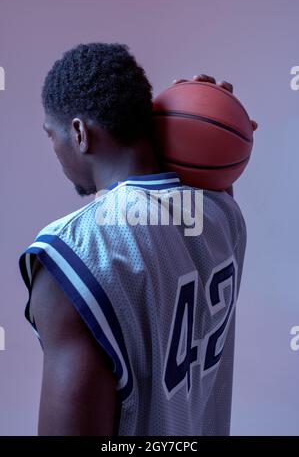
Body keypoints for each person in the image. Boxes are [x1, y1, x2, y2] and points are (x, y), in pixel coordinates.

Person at [19, 43, 257, 436]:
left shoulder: (73, 252)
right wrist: (207, 118)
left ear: (78, 132)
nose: (55, 150)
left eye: (52, 135)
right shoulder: (222, 213)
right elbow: (191, 195)